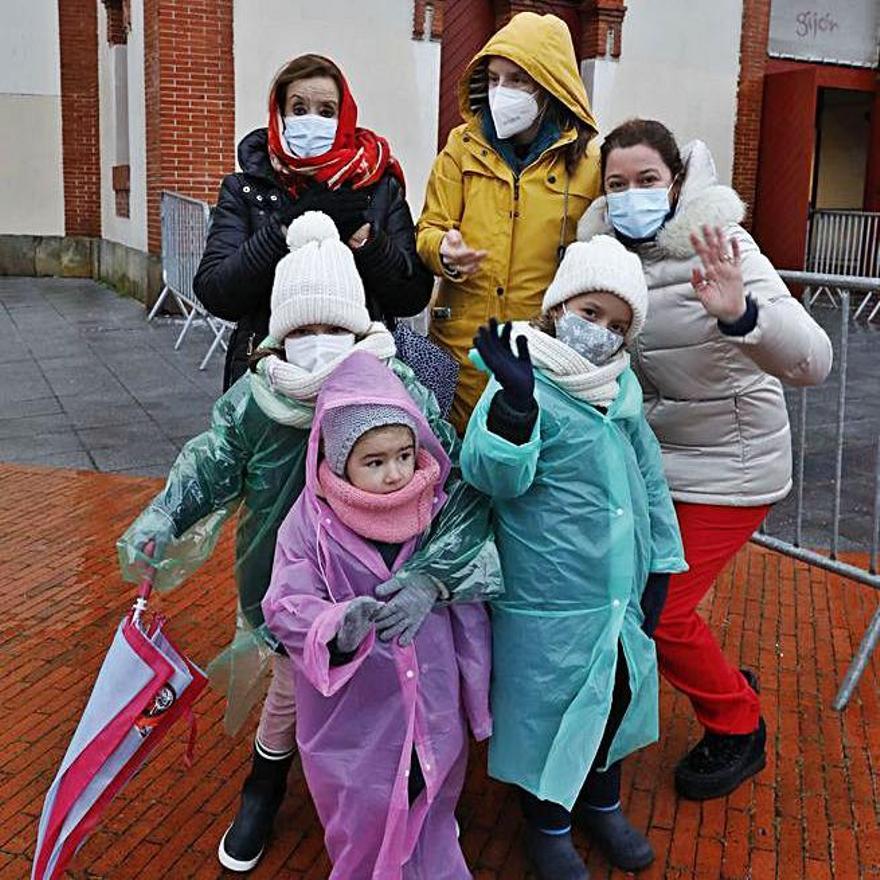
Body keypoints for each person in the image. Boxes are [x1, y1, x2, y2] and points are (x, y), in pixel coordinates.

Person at [117, 213, 495, 873]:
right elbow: (210, 462)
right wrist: (164, 516)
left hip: (383, 582)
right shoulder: (260, 399)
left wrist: (432, 576)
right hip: (287, 583)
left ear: (360, 327)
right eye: (305, 331)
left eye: (334, 329)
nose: (320, 343)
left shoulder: (395, 390)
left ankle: (420, 789)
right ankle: (264, 787)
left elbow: (446, 477)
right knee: (293, 691)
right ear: (280, 335)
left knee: (396, 694)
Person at [577, 119, 833, 800]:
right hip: (660, 466)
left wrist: (742, 315)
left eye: (648, 180)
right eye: (618, 184)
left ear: (678, 182)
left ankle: (738, 724)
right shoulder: (606, 256)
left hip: (735, 467)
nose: (633, 195)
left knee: (661, 610)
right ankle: (703, 689)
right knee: (631, 598)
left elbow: (813, 361)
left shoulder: (722, 245)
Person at [460, 236, 687, 880]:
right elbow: (490, 475)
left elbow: (650, 486)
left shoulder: (622, 390)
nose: (602, 333)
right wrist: (514, 408)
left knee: (613, 698)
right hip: (547, 599)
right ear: (559, 305)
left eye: (618, 325)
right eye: (591, 312)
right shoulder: (524, 379)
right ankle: (547, 824)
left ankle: (601, 801)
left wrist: (663, 564)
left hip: (620, 591)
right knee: (549, 712)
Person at [262, 351, 495, 879]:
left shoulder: (438, 508)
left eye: (405, 455)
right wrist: (334, 627)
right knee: (363, 818)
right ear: (339, 460)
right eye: (374, 461)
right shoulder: (311, 526)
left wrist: (438, 582)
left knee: (432, 801)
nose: (395, 474)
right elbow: (285, 602)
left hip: (436, 706)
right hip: (356, 721)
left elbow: (478, 561)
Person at [194, 53, 432, 390]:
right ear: (281, 114)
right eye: (299, 109)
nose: (312, 121)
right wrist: (285, 229)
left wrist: (365, 239)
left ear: (344, 117)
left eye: (326, 112)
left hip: (362, 375)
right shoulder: (245, 189)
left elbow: (411, 295)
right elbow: (217, 292)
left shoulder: (378, 186)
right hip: (268, 375)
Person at [416, 11, 601, 433]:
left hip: (540, 356)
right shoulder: (460, 148)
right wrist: (443, 250)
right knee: (457, 475)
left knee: (521, 470)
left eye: (518, 80)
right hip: (460, 354)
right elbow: (427, 229)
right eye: (495, 79)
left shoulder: (589, 164)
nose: (502, 92)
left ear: (551, 85)